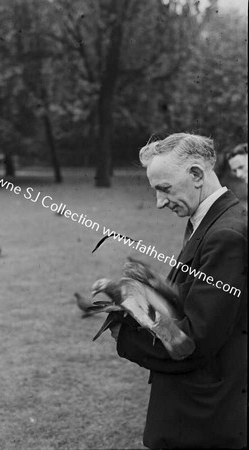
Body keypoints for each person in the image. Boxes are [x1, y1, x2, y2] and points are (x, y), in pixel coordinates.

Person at [110, 133, 247, 449]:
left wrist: (124, 332)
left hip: (204, 420)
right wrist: (153, 291)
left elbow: (195, 341)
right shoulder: (214, 220)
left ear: (197, 175)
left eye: (164, 188)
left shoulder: (225, 234)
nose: (159, 203)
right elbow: (200, 304)